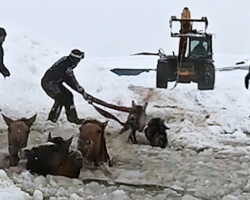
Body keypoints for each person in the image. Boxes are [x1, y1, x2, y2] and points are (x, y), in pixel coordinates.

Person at [41, 49, 90, 124]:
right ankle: (52, 119)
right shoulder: (65, 66)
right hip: (49, 83)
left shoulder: (67, 61)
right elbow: (71, 81)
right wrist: (82, 92)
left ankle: (72, 118)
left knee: (68, 95)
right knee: (60, 98)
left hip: (56, 82)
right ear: (75, 59)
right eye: (78, 60)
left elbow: (71, 79)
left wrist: (82, 91)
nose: (78, 63)